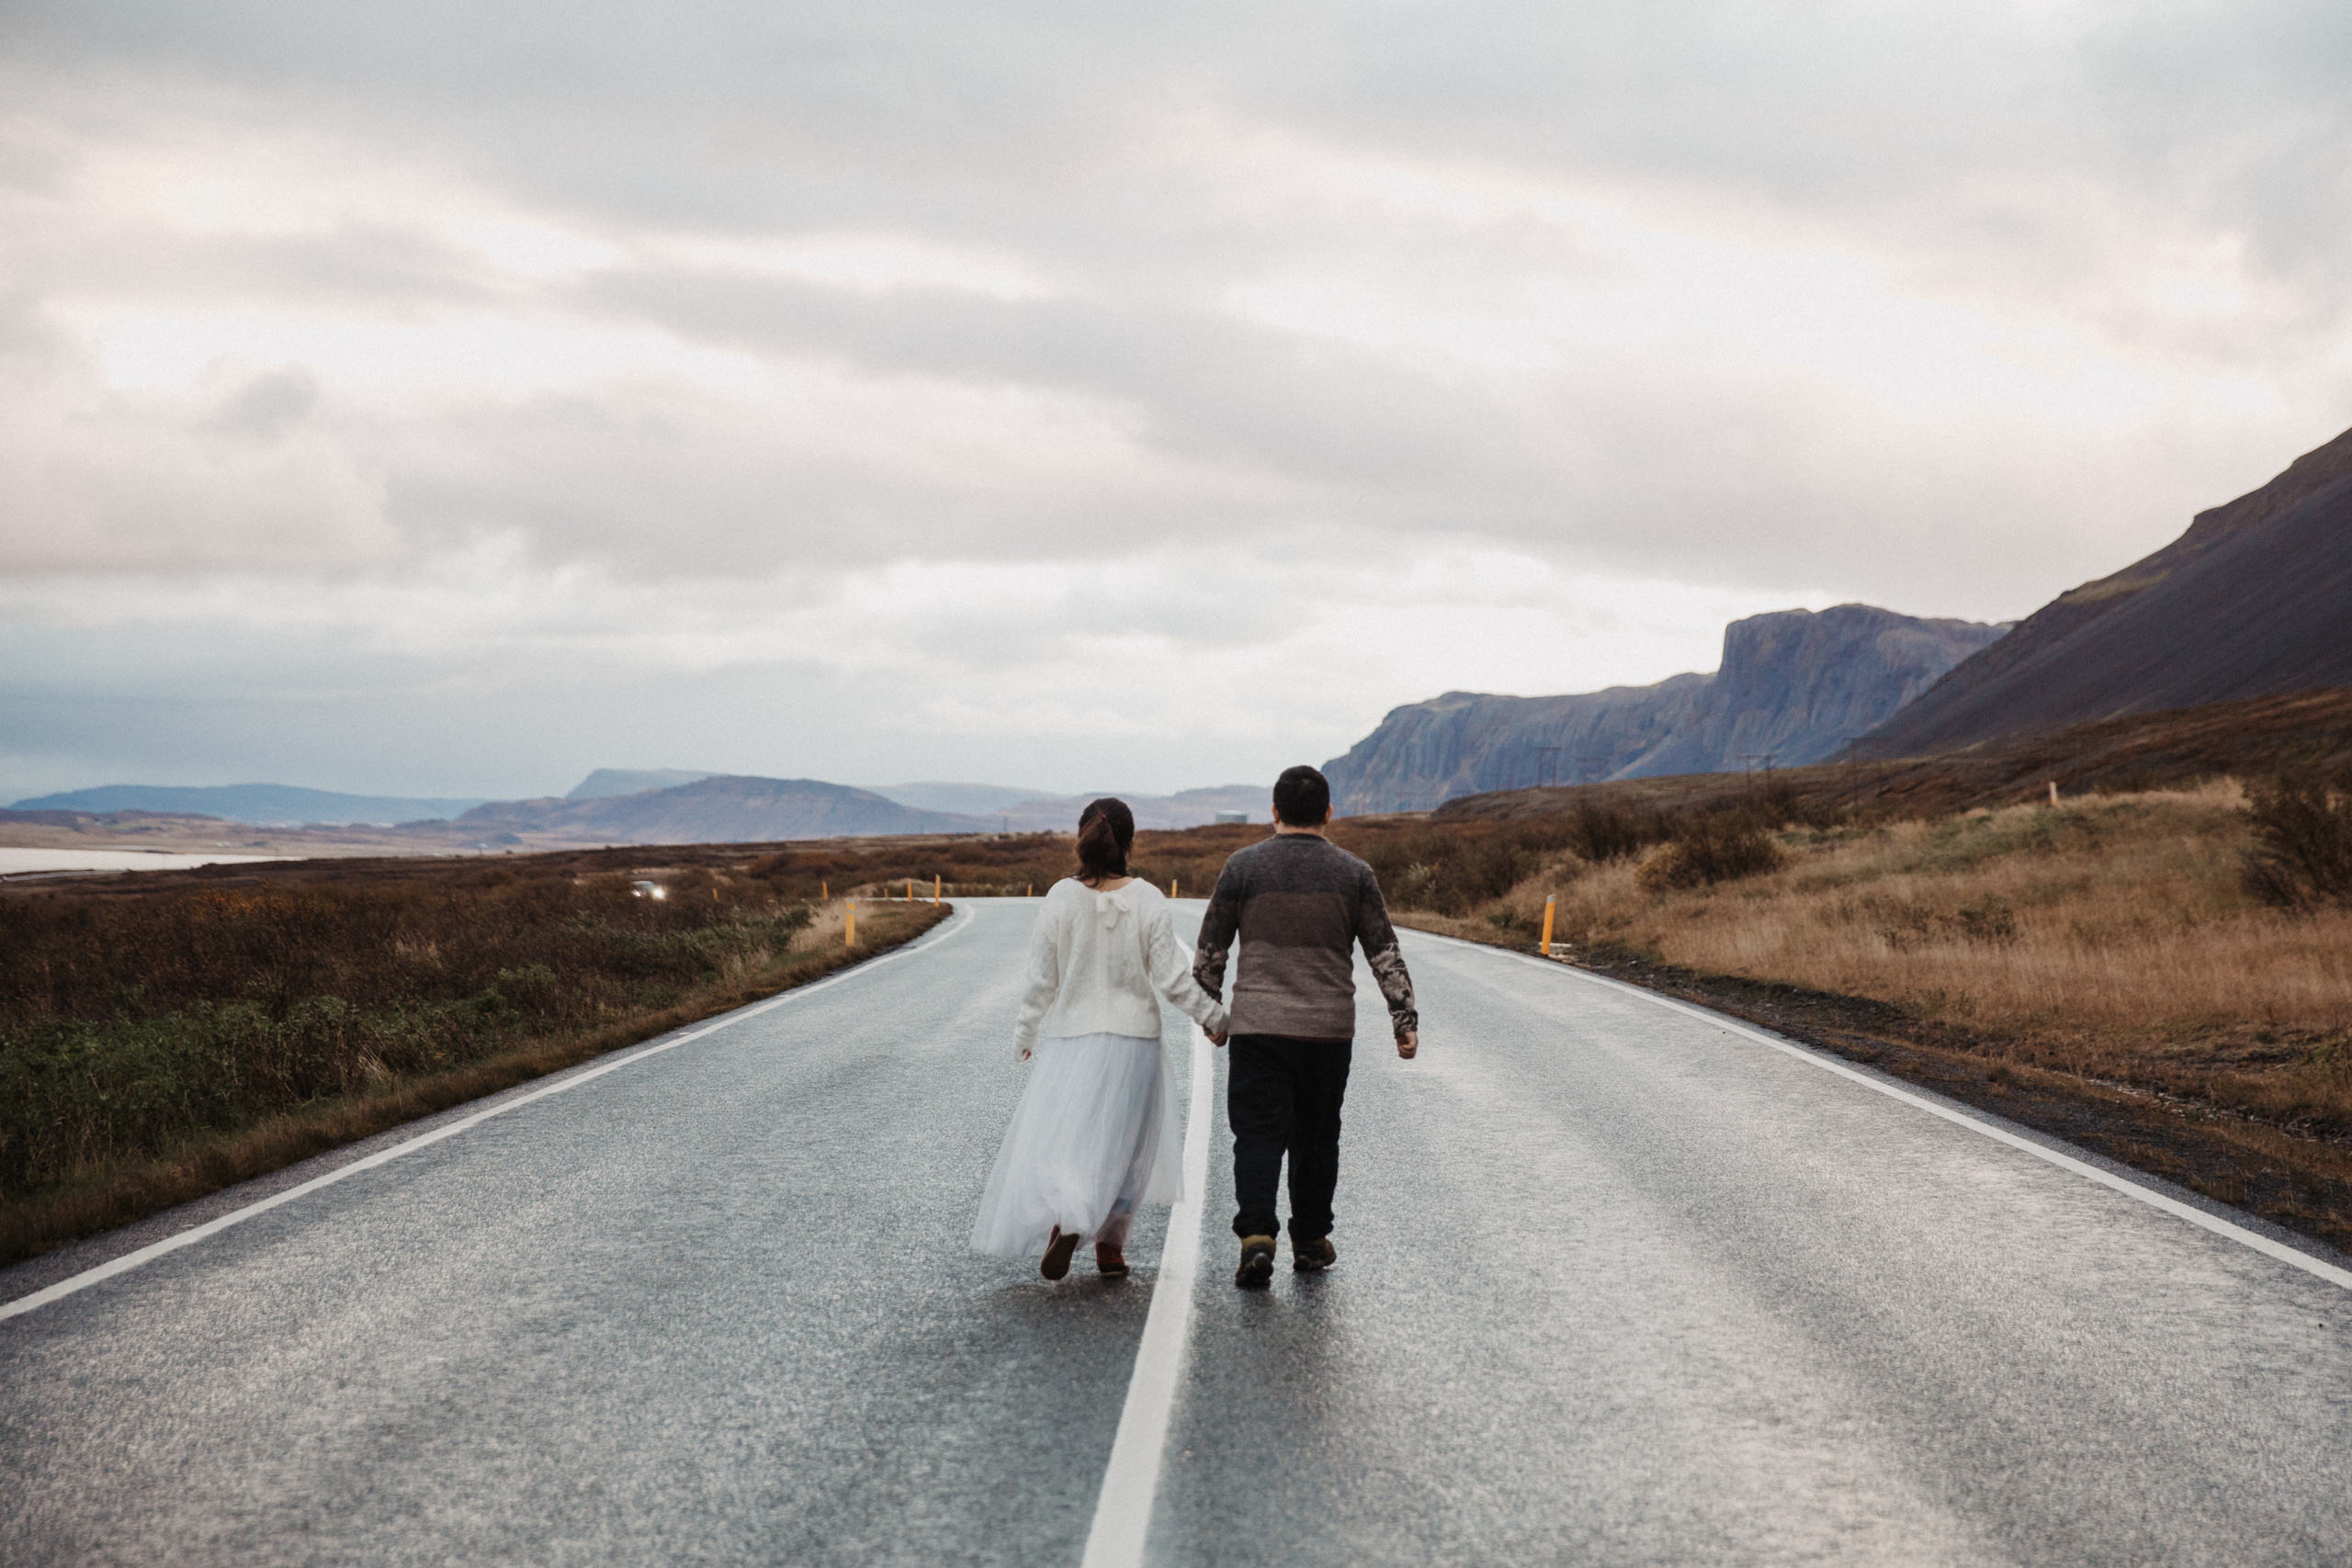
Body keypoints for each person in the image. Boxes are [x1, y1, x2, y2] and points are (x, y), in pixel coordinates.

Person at [971, 797, 1231, 1280]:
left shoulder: (1060, 897)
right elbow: (1173, 979)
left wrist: (1025, 1032)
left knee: (1071, 1140)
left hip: (1073, 1040)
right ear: (1129, 842)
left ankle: (1068, 1220)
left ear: (1082, 837)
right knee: (1128, 1148)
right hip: (1134, 1042)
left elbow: (1040, 978)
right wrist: (1214, 1017)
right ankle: (1109, 1248)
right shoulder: (1149, 897)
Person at [1193, 764, 1419, 1289]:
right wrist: (1403, 1018)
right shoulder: (1355, 873)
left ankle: (1255, 1238)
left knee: (1257, 1133)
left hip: (1258, 1028)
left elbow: (1211, 948)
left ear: (1274, 813)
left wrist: (1210, 1010)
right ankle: (1311, 1242)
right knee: (1317, 1137)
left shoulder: (1242, 867)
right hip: (1327, 1031)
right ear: (1328, 813)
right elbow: (1384, 951)